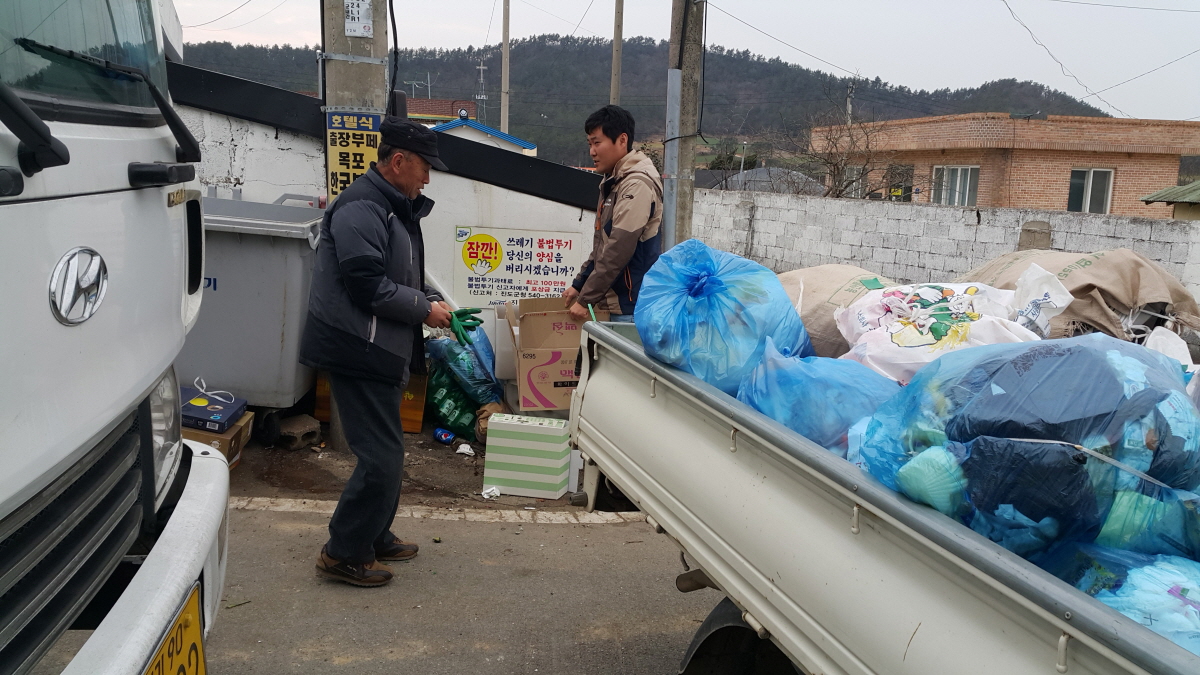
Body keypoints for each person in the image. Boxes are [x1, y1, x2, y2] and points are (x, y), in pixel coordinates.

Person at [300, 118, 452, 587]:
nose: (428, 178)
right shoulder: (362, 206)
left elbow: (398, 274)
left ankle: (373, 533)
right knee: (381, 458)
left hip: (378, 346)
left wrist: (426, 298)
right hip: (356, 347)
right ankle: (343, 551)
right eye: (425, 167)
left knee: (389, 449)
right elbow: (366, 285)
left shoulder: (393, 207)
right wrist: (423, 309)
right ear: (399, 161)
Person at [564, 105, 663, 323]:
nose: (592, 151)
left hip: (630, 307)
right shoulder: (614, 181)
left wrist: (586, 299)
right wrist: (579, 284)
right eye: (589, 144)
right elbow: (603, 247)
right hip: (614, 304)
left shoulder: (636, 184)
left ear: (622, 140)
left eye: (597, 142)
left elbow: (618, 249)